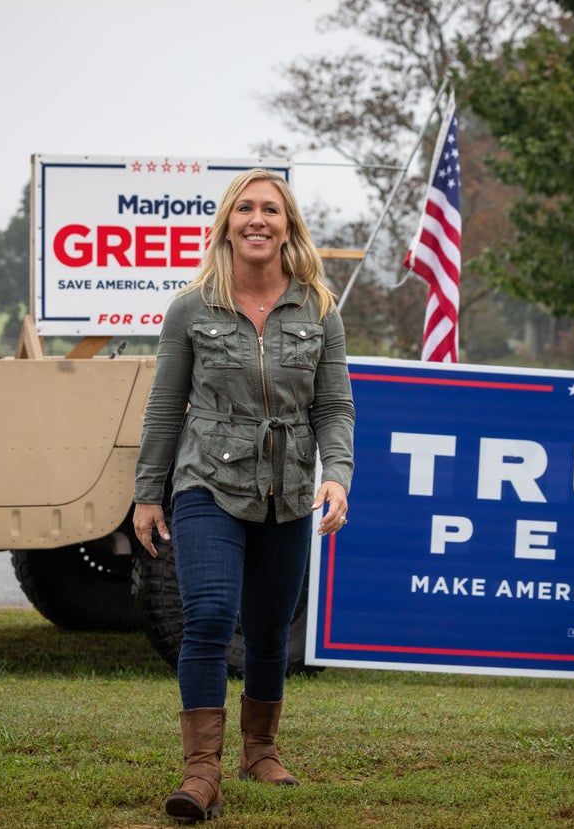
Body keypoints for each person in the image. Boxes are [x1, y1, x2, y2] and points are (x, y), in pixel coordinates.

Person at [132, 168, 355, 821]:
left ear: (289, 226)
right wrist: (149, 492)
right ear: (228, 221)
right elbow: (165, 407)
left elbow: (334, 406)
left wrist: (335, 472)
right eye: (246, 209)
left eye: (272, 210)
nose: (258, 220)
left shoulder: (318, 306)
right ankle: (201, 772)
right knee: (207, 616)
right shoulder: (192, 306)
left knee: (266, 628)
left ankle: (261, 748)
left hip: (288, 489)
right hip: (207, 479)